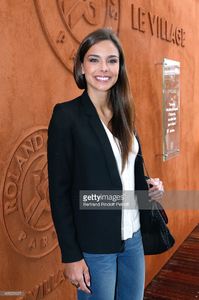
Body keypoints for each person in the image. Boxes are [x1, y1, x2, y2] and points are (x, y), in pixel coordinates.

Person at [47, 28, 164, 300]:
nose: (104, 68)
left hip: (133, 239)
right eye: (94, 59)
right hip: (94, 247)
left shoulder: (125, 114)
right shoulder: (67, 116)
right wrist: (71, 256)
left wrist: (149, 191)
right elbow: (59, 191)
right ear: (81, 66)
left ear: (120, 67)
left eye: (112, 60)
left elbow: (125, 176)